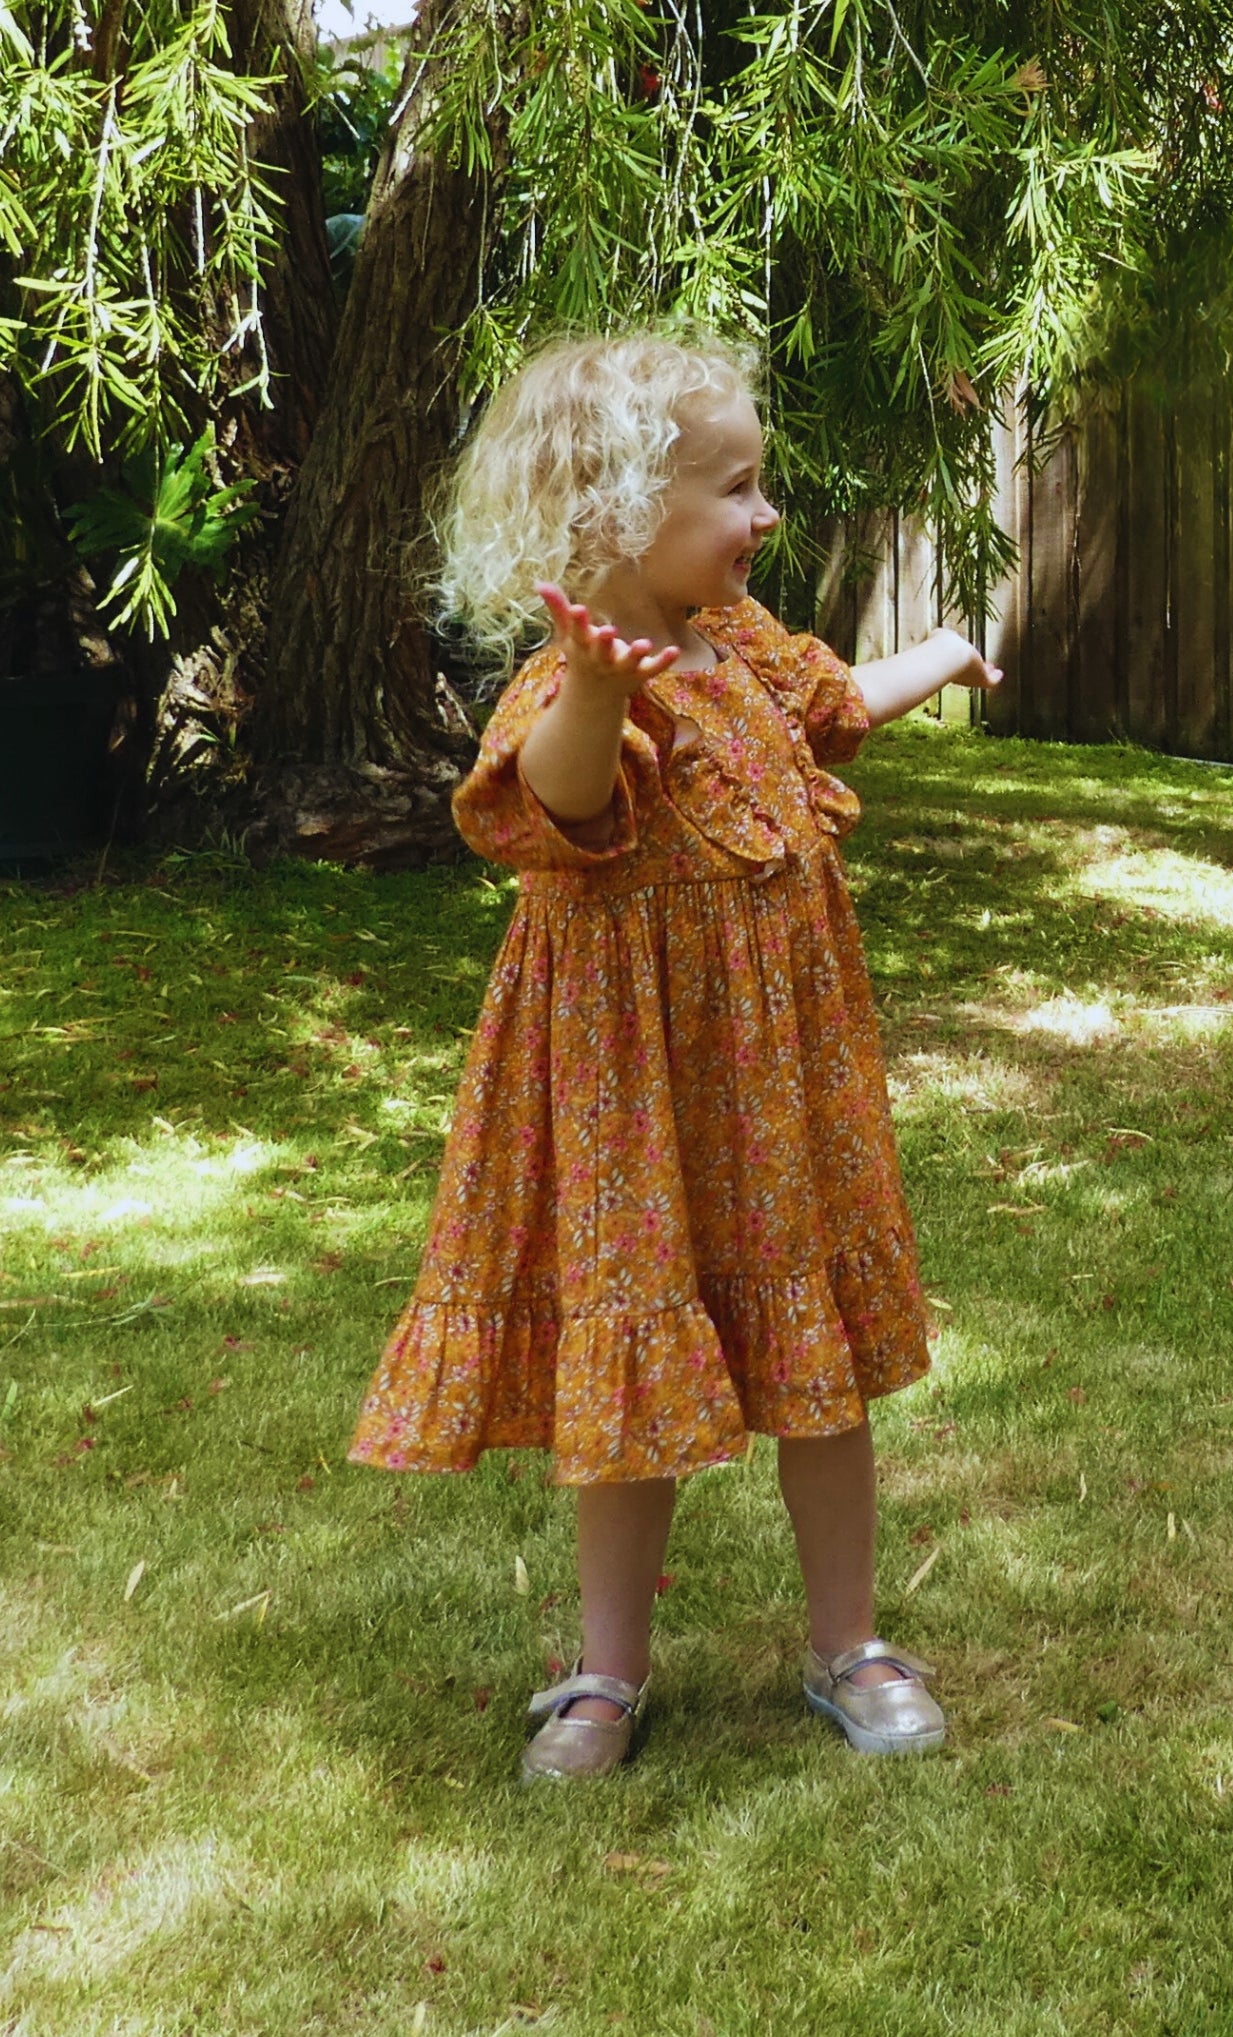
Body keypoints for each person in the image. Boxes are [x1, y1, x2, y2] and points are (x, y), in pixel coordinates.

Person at [349, 331, 1003, 1780]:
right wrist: (592, 682)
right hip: (629, 1094)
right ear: (615, 515)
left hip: (780, 1084)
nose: (764, 518)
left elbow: (836, 710)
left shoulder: (752, 648)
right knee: (631, 1362)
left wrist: (940, 656)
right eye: (735, 490)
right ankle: (605, 1670)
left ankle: (849, 1639)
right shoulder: (575, 682)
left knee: (813, 1363)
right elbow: (558, 797)